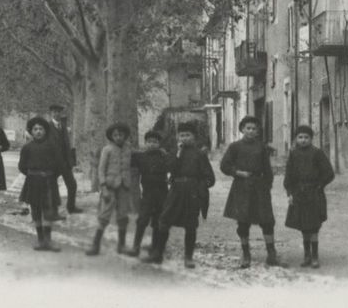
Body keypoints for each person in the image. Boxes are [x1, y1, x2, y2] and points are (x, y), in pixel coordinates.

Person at [143, 121, 215, 268]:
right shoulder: (174, 152)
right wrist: (177, 153)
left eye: (188, 135)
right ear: (177, 137)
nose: (184, 138)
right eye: (181, 135)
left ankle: (188, 257)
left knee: (190, 226)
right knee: (164, 221)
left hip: (192, 194)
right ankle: (158, 253)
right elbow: (170, 168)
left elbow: (210, 178)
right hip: (176, 191)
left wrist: (199, 186)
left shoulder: (200, 154)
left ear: (194, 137)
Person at [220, 115, 281, 268]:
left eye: (254, 128)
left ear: (258, 131)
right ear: (242, 129)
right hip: (242, 187)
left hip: (260, 188)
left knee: (267, 221)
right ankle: (246, 254)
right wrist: (238, 173)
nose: (251, 131)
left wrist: (267, 186)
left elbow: (267, 170)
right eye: (248, 128)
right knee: (243, 221)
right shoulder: (235, 147)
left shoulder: (262, 147)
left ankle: (271, 253)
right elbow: (224, 166)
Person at [283, 125, 335, 268]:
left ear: (311, 139)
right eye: (300, 137)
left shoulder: (317, 153)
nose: (303, 140)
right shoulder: (293, 154)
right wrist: (290, 193)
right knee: (304, 226)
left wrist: (319, 185)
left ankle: (315, 256)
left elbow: (329, 173)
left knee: (314, 226)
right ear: (296, 139)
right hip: (299, 193)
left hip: (314, 194)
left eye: (306, 137)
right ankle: (306, 255)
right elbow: (289, 176)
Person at [85, 122, 135, 256]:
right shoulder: (107, 150)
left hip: (124, 186)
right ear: (112, 137)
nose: (118, 137)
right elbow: (101, 170)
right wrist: (103, 187)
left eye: (121, 135)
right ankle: (95, 245)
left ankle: (122, 245)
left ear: (125, 136)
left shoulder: (128, 148)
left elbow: (137, 159)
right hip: (110, 186)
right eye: (115, 135)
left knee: (123, 216)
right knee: (104, 216)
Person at [18, 116, 63, 252]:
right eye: (35, 129)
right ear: (31, 131)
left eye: (41, 129)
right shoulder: (27, 148)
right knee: (36, 210)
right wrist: (33, 174)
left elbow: (59, 166)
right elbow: (22, 166)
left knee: (48, 210)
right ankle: (40, 239)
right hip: (33, 182)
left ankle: (48, 240)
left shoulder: (52, 146)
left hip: (49, 182)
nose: (38, 131)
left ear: (45, 131)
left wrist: (49, 175)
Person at [127, 129, 171, 257]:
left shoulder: (164, 156)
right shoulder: (140, 157)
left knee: (158, 221)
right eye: (149, 142)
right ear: (145, 143)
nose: (152, 144)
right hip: (147, 194)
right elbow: (128, 159)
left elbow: (171, 166)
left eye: (155, 142)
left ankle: (155, 246)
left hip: (162, 194)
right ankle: (136, 246)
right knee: (142, 220)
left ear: (159, 144)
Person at [47, 104, 83, 215]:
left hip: (65, 162)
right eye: (54, 112)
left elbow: (67, 145)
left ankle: (71, 207)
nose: (56, 114)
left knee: (72, 184)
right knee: (53, 187)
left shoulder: (63, 126)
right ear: (51, 113)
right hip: (53, 163)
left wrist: (70, 161)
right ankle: (54, 211)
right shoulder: (47, 126)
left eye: (58, 112)